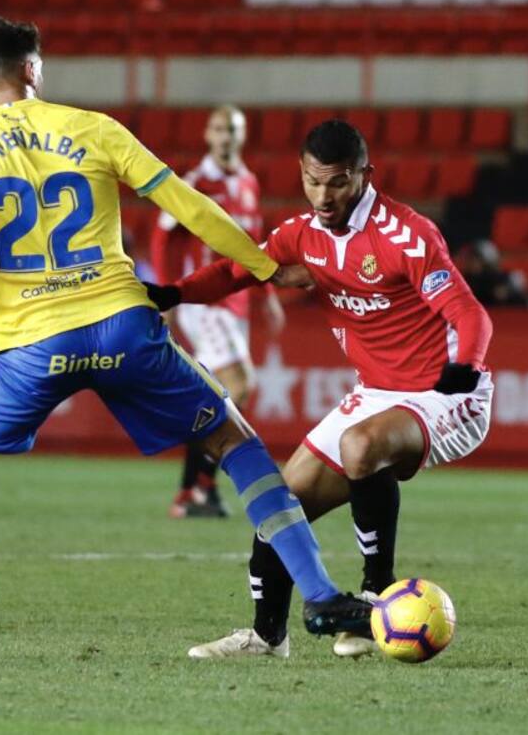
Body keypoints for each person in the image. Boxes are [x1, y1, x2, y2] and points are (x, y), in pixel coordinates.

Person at [0, 16, 371, 658]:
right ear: (33, 70)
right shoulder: (94, 129)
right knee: (238, 445)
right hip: (123, 326)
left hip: (31, 344)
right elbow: (190, 205)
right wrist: (264, 268)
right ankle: (318, 594)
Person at [148, 119, 493, 659]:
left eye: (336, 182)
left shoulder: (405, 234)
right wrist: (172, 292)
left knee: (360, 446)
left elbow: (469, 313)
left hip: (445, 393)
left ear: (363, 175)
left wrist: (465, 367)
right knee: (277, 506)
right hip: (376, 391)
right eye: (312, 181)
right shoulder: (302, 234)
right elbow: (242, 271)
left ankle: (373, 599)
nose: (323, 195)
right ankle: (267, 637)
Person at [151, 105, 285, 519]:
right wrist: (168, 296)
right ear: (208, 136)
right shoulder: (196, 182)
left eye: (233, 129)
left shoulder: (248, 182)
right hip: (207, 300)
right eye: (219, 129)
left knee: (215, 397)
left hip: (237, 301)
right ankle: (200, 487)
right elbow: (161, 237)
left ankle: (193, 492)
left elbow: (255, 244)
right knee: (239, 384)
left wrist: (270, 295)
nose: (226, 136)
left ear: (242, 136)